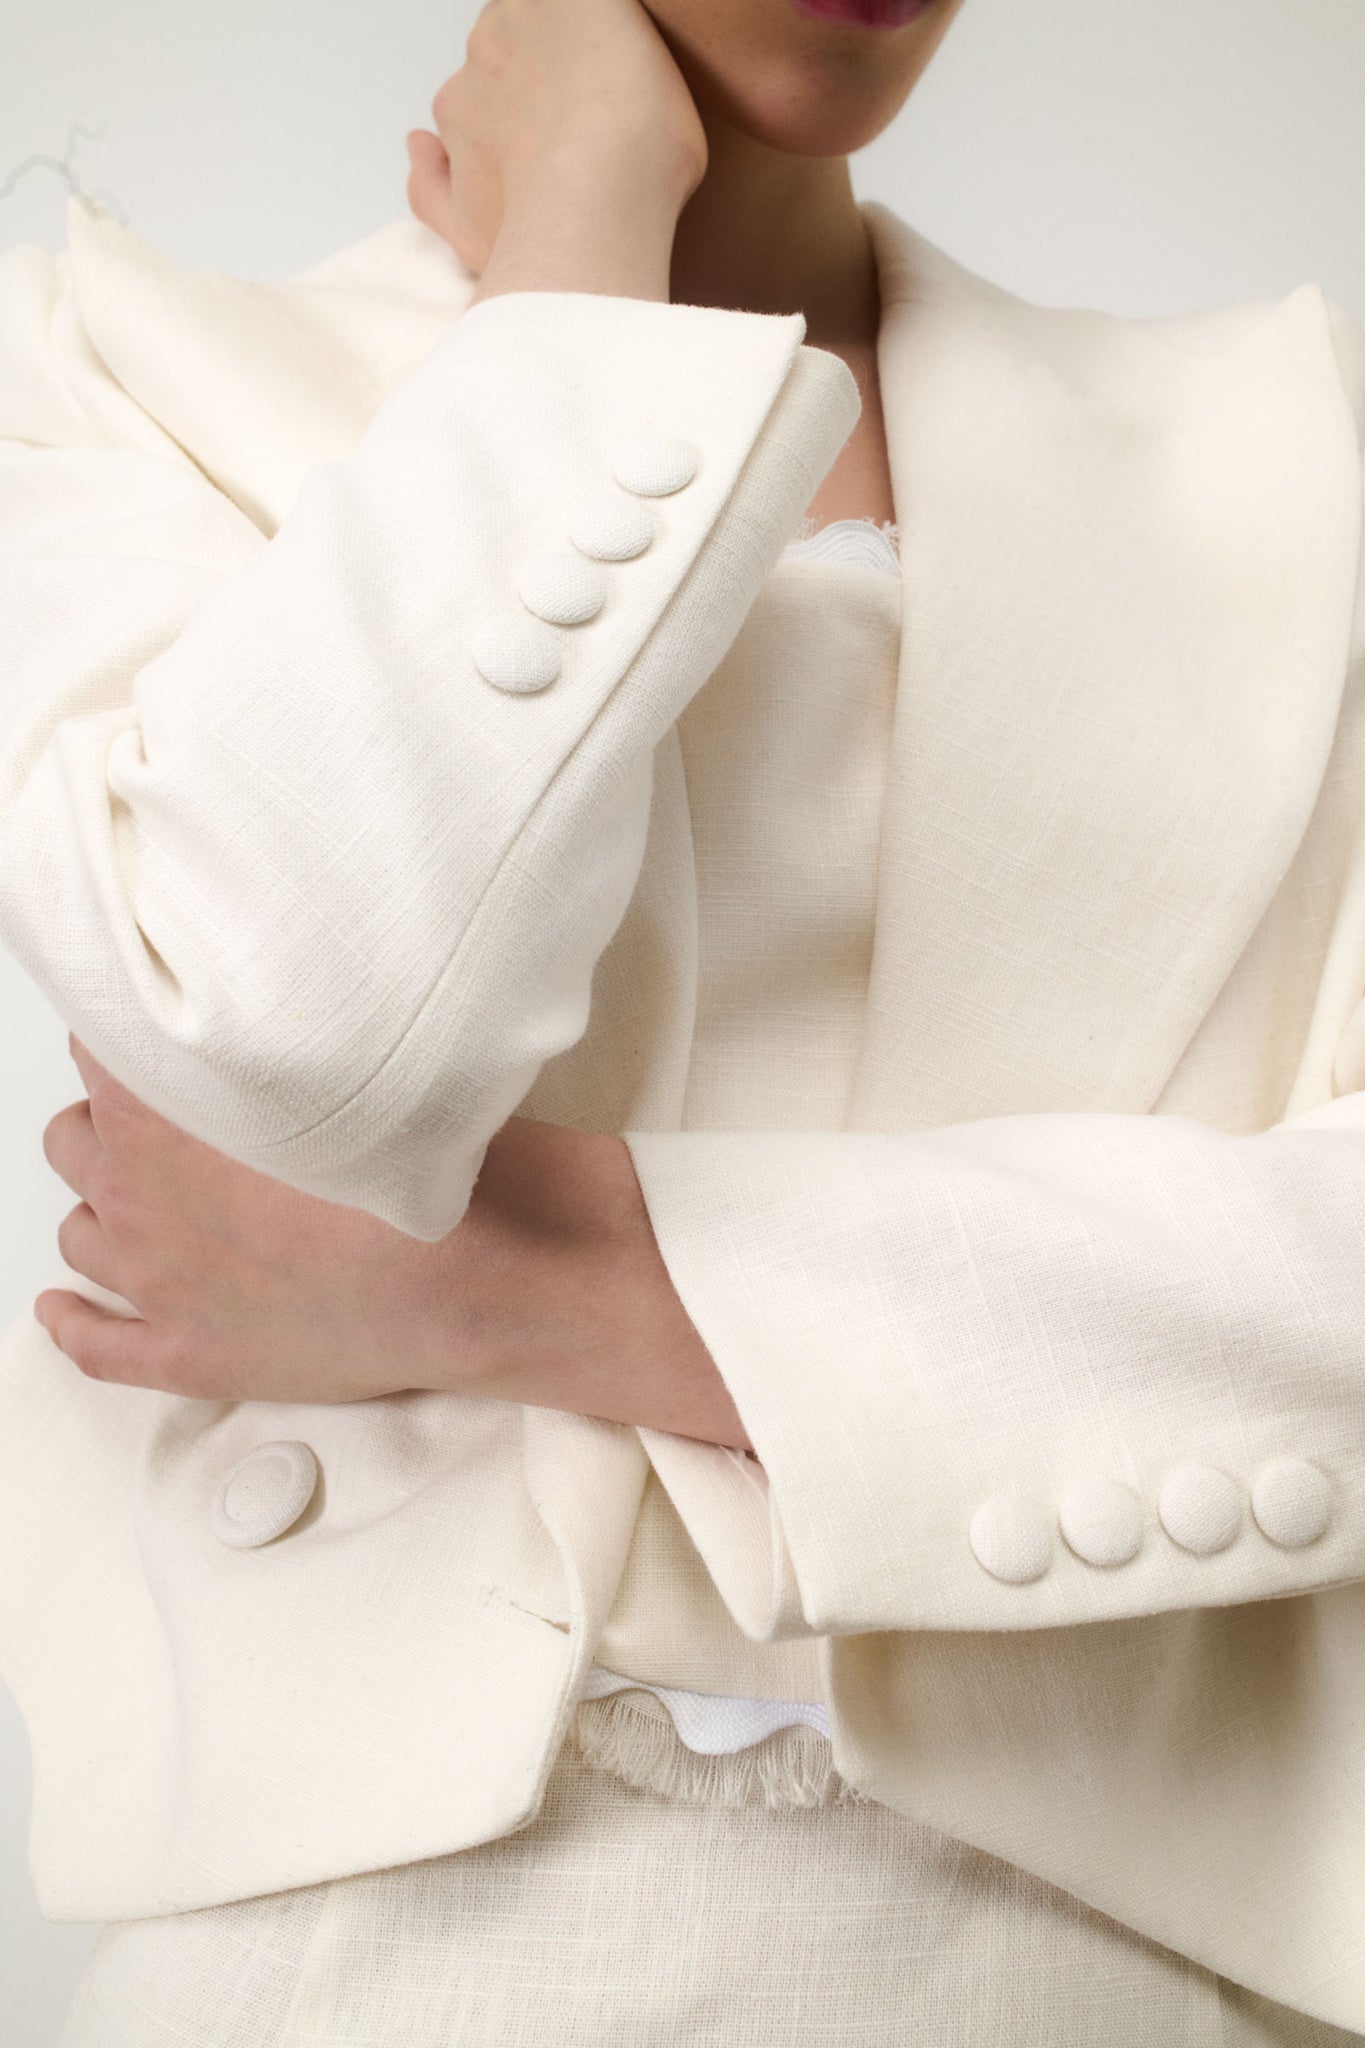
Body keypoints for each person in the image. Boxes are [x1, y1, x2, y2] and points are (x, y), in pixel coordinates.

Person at [2, 0, 1365, 2040]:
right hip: (352, 1968)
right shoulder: (116, 379)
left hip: (1123, 1967)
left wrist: (524, 1288)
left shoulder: (1294, 451)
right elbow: (295, 1026)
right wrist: (575, 257)